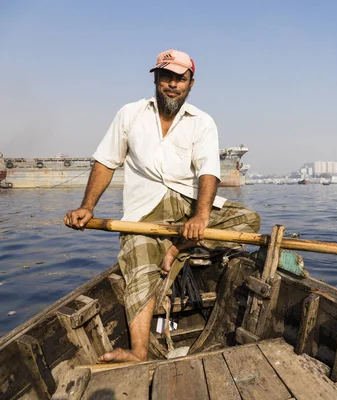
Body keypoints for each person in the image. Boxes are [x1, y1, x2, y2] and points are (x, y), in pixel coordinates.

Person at [64, 49, 260, 363]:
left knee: (248, 220)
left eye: (179, 79)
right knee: (139, 267)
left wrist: (200, 216)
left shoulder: (202, 122)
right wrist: (87, 206)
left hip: (186, 205)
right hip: (143, 213)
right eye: (166, 76)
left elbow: (209, 172)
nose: (172, 84)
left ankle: (177, 247)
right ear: (156, 79)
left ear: (191, 83)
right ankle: (139, 352)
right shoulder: (130, 114)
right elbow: (105, 161)